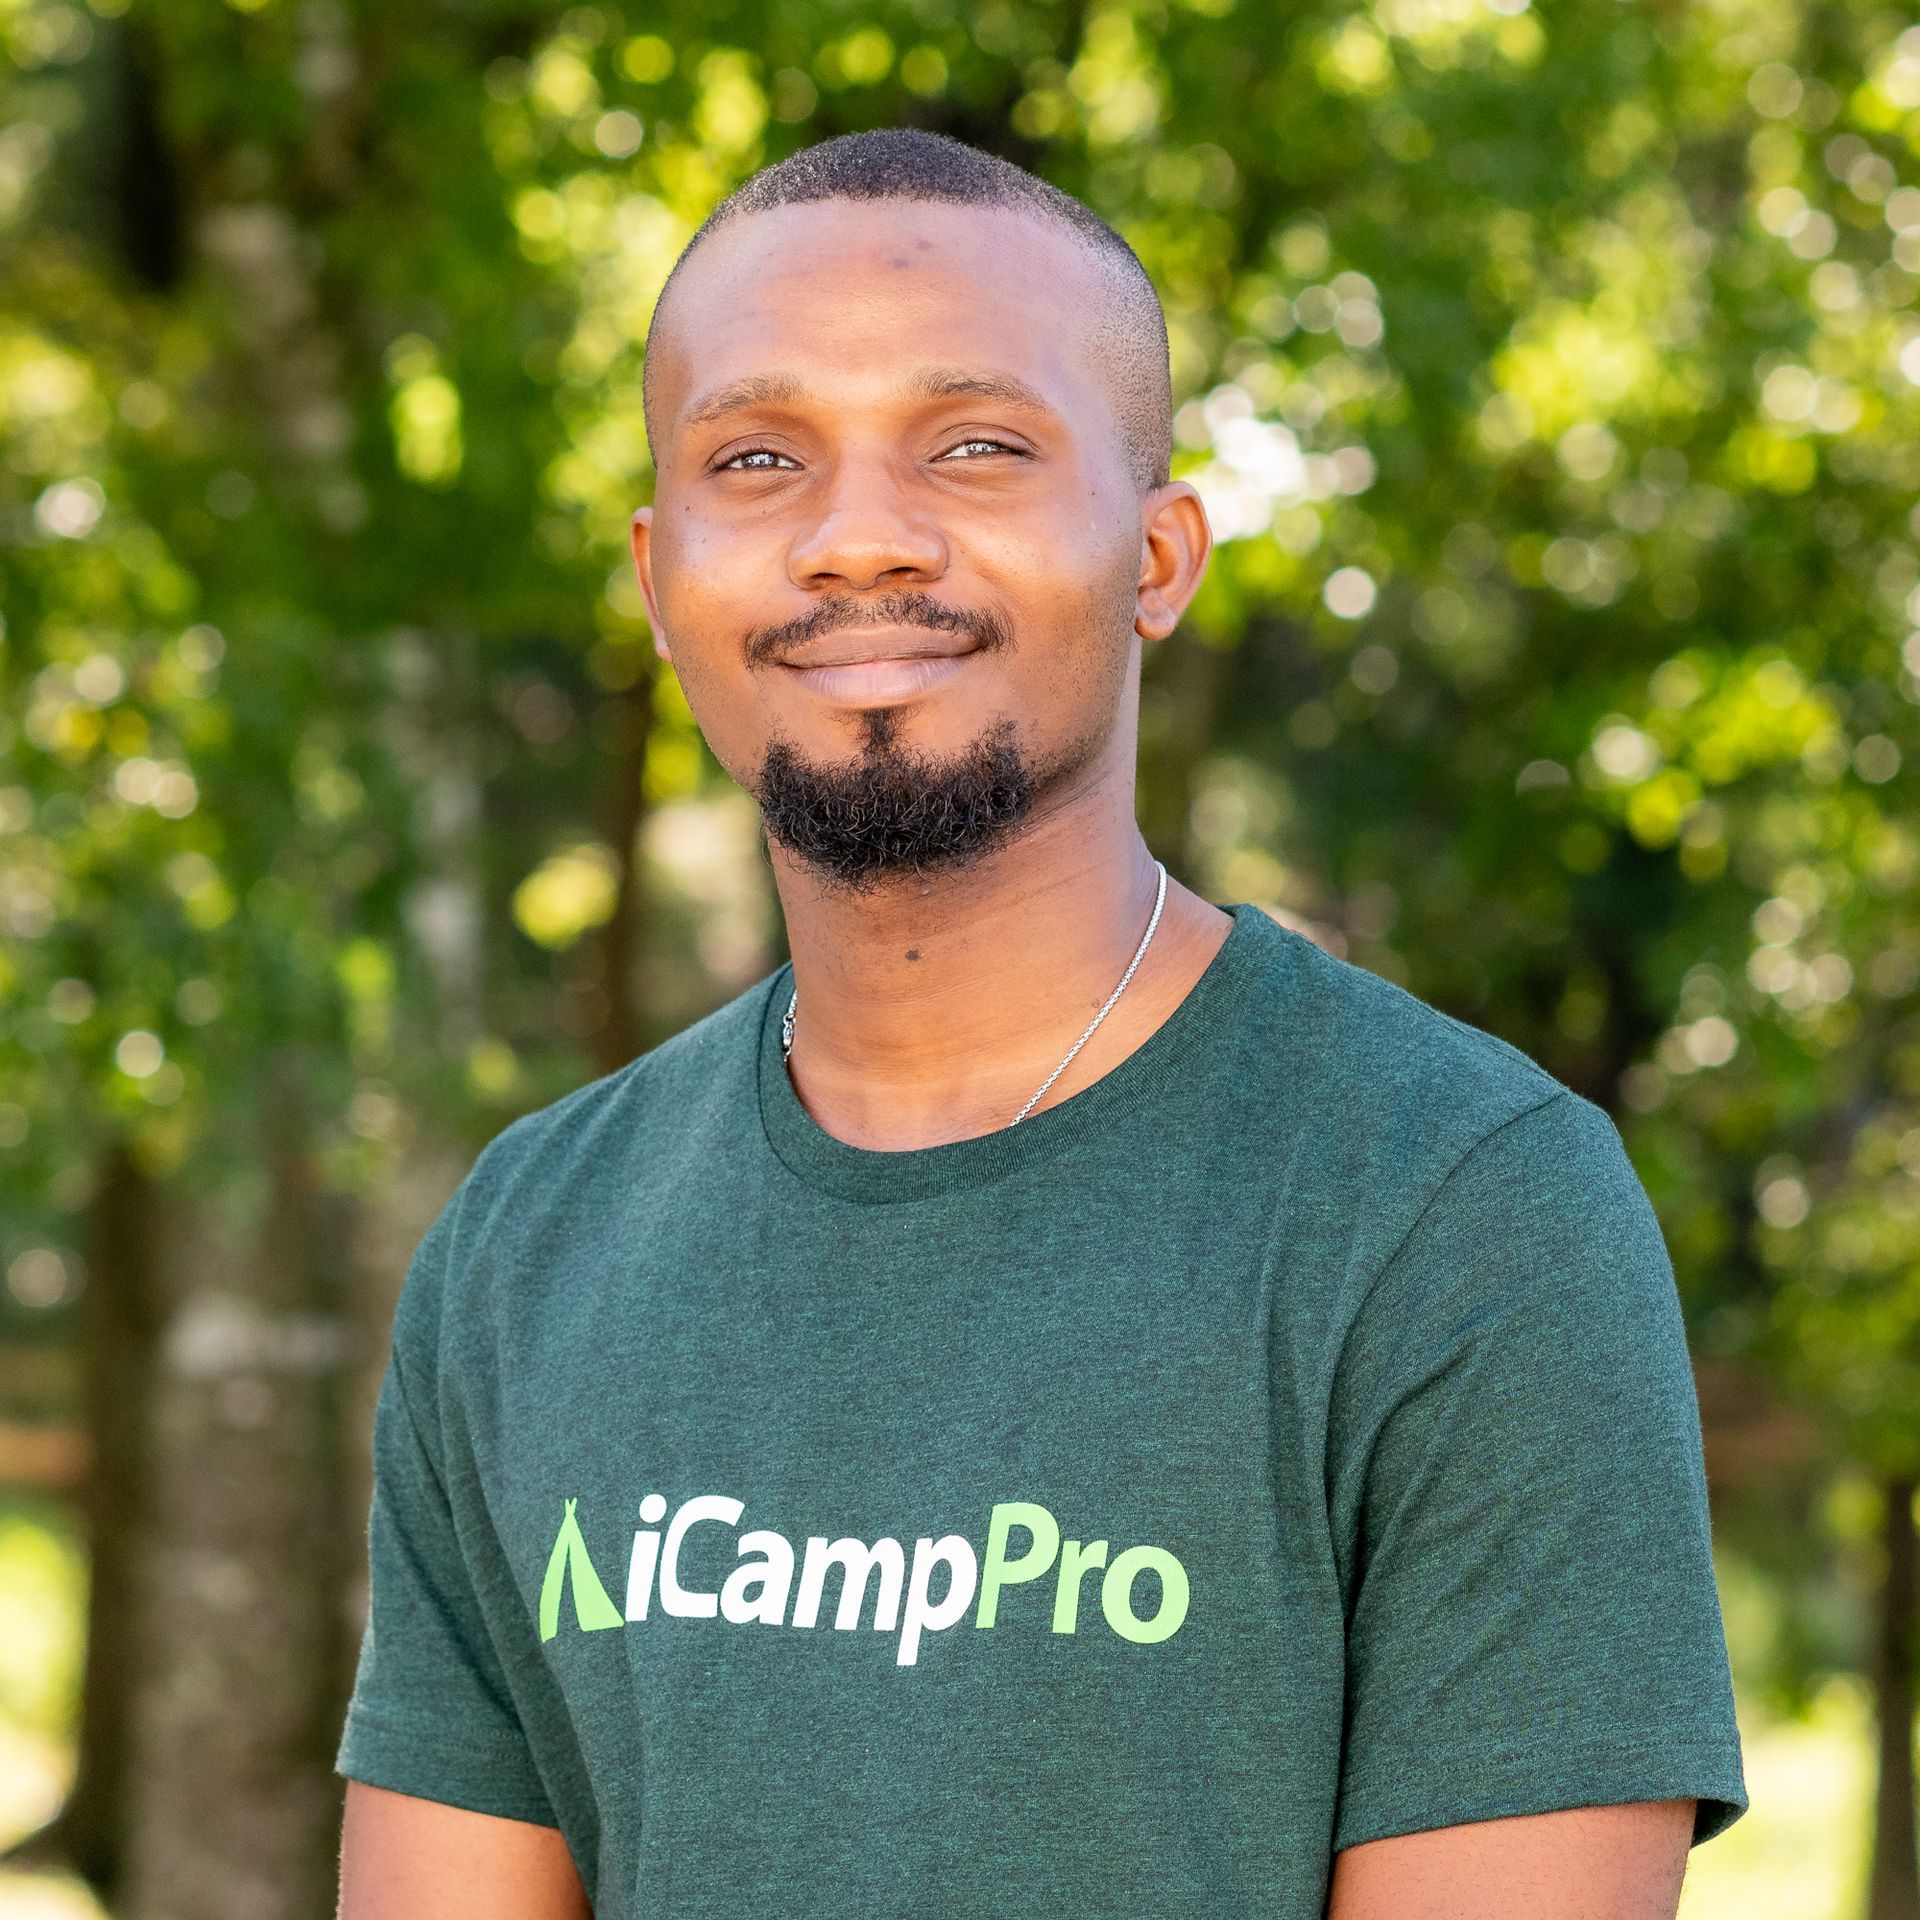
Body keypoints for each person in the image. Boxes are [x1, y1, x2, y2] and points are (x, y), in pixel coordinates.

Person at [333, 129, 1746, 1920]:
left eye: (977, 446)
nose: (857, 538)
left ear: (1157, 554)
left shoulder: (1460, 1207)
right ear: (658, 575)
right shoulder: (526, 1246)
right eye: (756, 459)